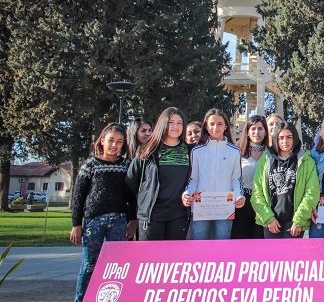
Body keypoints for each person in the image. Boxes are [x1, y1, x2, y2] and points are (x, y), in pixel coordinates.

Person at [71, 123, 136, 302]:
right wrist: (76, 224)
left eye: (119, 142)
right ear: (102, 141)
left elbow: (133, 196)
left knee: (116, 266)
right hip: (94, 222)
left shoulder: (126, 165)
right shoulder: (90, 164)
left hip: (119, 221)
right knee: (89, 265)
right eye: (111, 141)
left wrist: (133, 221)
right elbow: (78, 196)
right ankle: (82, 298)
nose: (114, 145)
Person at [125, 107, 191, 240]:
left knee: (174, 259)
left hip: (178, 214)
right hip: (151, 215)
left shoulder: (190, 151)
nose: (175, 126)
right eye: (171, 122)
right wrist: (146, 195)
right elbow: (131, 180)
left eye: (179, 123)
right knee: (150, 259)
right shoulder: (147, 151)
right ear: (163, 124)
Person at [182, 109, 244, 240]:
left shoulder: (235, 151)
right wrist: (187, 194)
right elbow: (193, 179)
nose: (216, 127)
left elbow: (236, 179)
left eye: (220, 124)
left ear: (226, 126)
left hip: (225, 208)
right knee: (198, 247)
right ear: (206, 125)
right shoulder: (197, 151)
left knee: (222, 247)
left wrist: (239, 196)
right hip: (200, 207)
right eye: (212, 124)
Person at [251, 122, 320, 238]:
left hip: (294, 223)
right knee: (272, 256)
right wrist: (268, 218)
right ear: (275, 139)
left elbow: (312, 192)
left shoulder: (306, 161)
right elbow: (257, 192)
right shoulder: (266, 159)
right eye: (281, 138)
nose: (285, 141)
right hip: (272, 222)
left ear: (295, 138)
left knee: (293, 256)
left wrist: (300, 219)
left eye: (289, 137)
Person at [232, 115, 268, 239]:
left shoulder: (271, 154)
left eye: (260, 128)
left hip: (264, 204)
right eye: (253, 129)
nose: (256, 132)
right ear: (247, 132)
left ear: (265, 131)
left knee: (260, 242)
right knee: (240, 242)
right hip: (242, 203)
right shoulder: (237, 153)